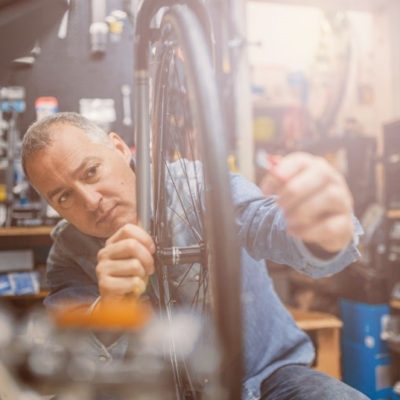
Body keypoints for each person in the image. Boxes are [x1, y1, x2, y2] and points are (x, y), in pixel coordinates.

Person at [21, 112, 368, 400]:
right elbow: (66, 368)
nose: (90, 201)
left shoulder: (198, 186)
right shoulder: (68, 254)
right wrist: (110, 306)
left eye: (91, 172)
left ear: (119, 147)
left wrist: (322, 231)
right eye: (64, 197)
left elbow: (265, 222)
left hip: (266, 382)